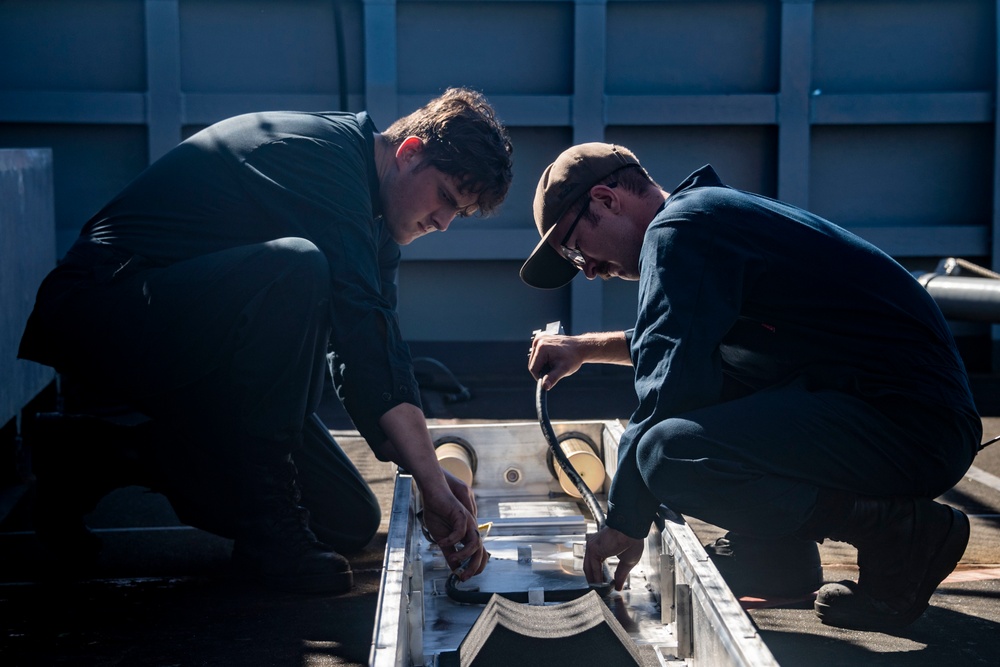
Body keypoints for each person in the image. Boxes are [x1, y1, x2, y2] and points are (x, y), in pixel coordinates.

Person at [19, 87, 511, 594]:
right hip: (105, 309)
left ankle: (93, 455)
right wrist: (432, 482)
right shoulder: (325, 158)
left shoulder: (378, 226)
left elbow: (373, 353)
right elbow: (361, 329)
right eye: (447, 199)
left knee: (349, 520)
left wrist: (426, 471)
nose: (444, 223)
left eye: (462, 213)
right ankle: (266, 535)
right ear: (409, 153)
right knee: (296, 269)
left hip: (194, 346)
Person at [521, 143, 981, 631]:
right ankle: (777, 557)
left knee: (666, 453)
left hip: (912, 426)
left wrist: (624, 521)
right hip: (898, 414)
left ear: (606, 200)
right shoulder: (706, 218)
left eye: (575, 250)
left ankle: (900, 534)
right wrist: (584, 348)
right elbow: (681, 333)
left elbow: (667, 381)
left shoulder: (680, 230)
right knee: (712, 388)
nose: (587, 269)